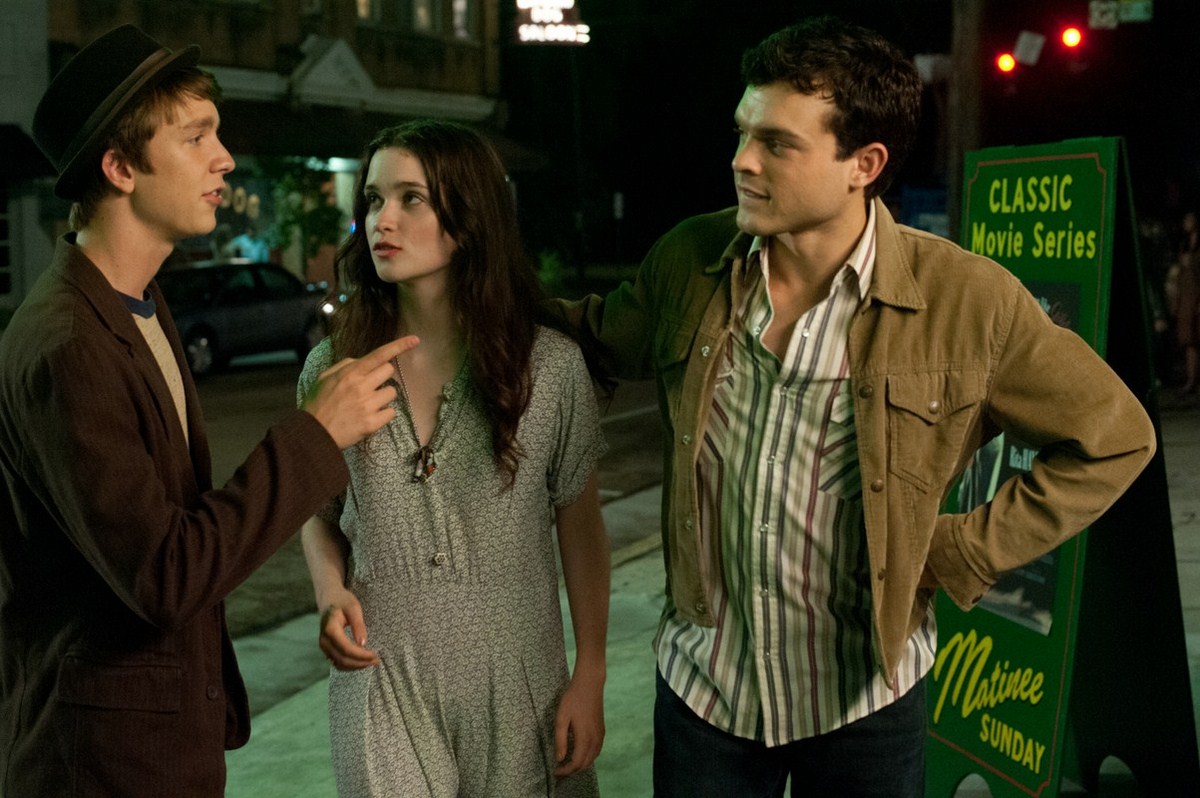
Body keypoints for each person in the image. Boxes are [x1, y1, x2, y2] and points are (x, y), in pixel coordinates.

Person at [554, 15, 1155, 797]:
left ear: (863, 164)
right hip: (706, 694)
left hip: (865, 703)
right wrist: (456, 296)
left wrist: (959, 550)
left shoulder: (966, 301)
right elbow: (593, 338)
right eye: (742, 133)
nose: (741, 160)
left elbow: (1115, 437)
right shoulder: (689, 261)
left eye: (777, 143)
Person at [0, 25, 415, 797]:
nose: (224, 158)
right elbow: (166, 573)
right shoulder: (68, 346)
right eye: (195, 138)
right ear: (120, 167)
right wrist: (315, 433)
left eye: (216, 134)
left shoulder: (138, 305)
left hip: (163, 745)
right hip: (100, 765)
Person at [298, 119, 610, 797]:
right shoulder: (332, 370)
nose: (382, 220)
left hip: (521, 681)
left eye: (411, 198)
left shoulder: (549, 368)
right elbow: (316, 509)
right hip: (381, 678)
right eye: (373, 199)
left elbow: (581, 526)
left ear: (467, 220)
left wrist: (590, 674)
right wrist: (329, 593)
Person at [1171, 209, 1200, 393]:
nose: (1185, 223)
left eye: (1189, 219)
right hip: (1186, 296)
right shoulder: (1184, 245)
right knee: (1189, 340)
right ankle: (1191, 379)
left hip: (1197, 294)